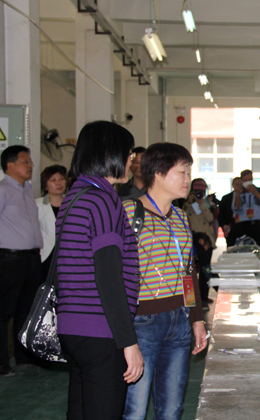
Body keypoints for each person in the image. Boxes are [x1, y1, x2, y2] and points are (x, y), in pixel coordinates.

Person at [56, 121, 143, 419]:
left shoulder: (75, 196)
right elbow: (108, 277)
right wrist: (128, 341)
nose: (131, 160)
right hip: (100, 329)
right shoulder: (103, 200)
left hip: (73, 327)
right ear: (109, 154)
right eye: (129, 153)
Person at [122, 143, 208, 420]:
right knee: (134, 410)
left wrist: (196, 318)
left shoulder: (181, 217)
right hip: (141, 323)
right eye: (182, 172)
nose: (188, 180)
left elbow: (188, 273)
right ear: (158, 173)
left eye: (188, 173)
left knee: (171, 409)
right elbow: (114, 276)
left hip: (179, 321)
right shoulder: (127, 213)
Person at [0, 145, 43, 377]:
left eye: (30, 162)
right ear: (10, 165)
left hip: (31, 258)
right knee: (4, 311)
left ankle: (24, 356)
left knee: (26, 309)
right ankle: (1, 362)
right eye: (25, 162)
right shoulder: (3, 190)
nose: (30, 166)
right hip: (10, 258)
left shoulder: (28, 189)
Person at [183, 178, 217, 306]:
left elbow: (210, 218)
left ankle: (204, 297)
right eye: (196, 191)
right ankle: (190, 300)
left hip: (206, 239)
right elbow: (182, 217)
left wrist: (202, 203)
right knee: (190, 270)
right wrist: (188, 202)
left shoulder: (206, 202)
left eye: (201, 192)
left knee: (205, 269)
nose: (198, 194)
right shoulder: (186, 202)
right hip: (192, 238)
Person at [36, 164, 68, 280]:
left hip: (67, 255)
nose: (59, 183)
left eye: (61, 179)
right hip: (46, 256)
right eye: (53, 180)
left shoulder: (73, 204)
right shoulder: (37, 205)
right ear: (45, 185)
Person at [229, 169, 260, 247]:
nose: (248, 182)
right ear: (242, 180)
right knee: (243, 248)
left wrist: (255, 192)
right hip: (243, 225)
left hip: (257, 224)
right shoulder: (238, 192)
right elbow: (236, 209)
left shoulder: (259, 190)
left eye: (250, 180)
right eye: (245, 180)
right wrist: (238, 195)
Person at [218, 177, 241, 247]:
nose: (239, 186)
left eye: (241, 184)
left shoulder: (248, 197)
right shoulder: (226, 198)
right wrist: (224, 225)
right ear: (233, 185)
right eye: (237, 184)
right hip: (231, 227)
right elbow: (221, 214)